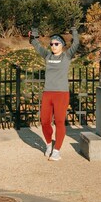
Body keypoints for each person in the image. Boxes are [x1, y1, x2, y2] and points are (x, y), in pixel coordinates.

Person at [29, 26, 80, 160]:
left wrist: (74, 30)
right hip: (48, 93)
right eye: (51, 44)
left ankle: (57, 150)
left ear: (62, 45)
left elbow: (76, 44)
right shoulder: (47, 56)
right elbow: (36, 45)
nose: (53, 46)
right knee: (45, 121)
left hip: (61, 94)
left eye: (56, 43)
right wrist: (33, 36)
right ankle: (48, 145)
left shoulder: (66, 56)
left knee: (59, 121)